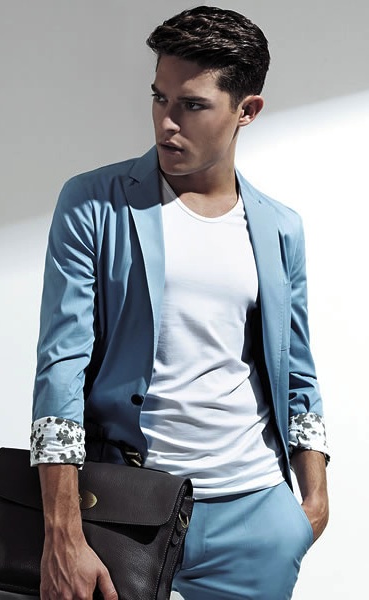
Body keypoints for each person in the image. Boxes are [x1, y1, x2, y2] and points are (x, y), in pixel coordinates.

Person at [31, 6, 330, 600]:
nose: (167, 122)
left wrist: (310, 506)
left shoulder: (279, 228)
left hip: (256, 517)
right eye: (159, 98)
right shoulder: (94, 204)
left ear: (247, 110)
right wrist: (62, 532)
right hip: (125, 511)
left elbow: (297, 372)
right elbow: (60, 368)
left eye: (192, 105)